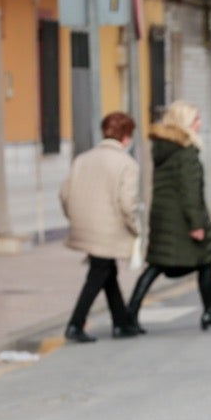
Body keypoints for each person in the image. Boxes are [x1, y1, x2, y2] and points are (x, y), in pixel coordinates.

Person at [126, 101, 211, 332]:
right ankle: (209, 313)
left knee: (159, 264)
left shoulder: (164, 146)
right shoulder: (186, 151)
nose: (200, 124)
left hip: (165, 216)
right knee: (201, 262)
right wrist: (196, 224)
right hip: (182, 218)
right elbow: (189, 190)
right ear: (185, 123)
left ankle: (131, 313)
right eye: (196, 120)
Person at [59, 112, 145, 343]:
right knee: (98, 273)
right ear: (126, 137)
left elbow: (65, 194)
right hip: (109, 228)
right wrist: (135, 228)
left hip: (83, 225)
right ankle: (76, 324)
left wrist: (75, 217)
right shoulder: (127, 164)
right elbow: (127, 204)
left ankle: (121, 322)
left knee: (107, 271)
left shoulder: (82, 159)